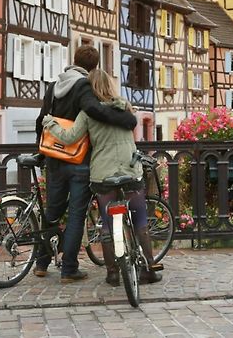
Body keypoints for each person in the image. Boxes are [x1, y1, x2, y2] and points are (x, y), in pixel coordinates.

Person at [42, 69, 162, 286]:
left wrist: (50, 123)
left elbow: (69, 137)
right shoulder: (125, 107)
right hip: (130, 168)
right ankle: (149, 269)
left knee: (107, 224)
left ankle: (112, 273)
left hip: (102, 173)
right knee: (140, 221)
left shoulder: (87, 114)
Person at [34, 45, 137, 283]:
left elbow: (41, 120)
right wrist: (127, 119)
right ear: (94, 68)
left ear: (74, 60)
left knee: (52, 212)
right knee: (75, 216)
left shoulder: (53, 87)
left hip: (54, 158)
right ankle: (69, 268)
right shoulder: (84, 85)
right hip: (79, 159)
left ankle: (41, 262)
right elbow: (93, 110)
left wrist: (40, 151)